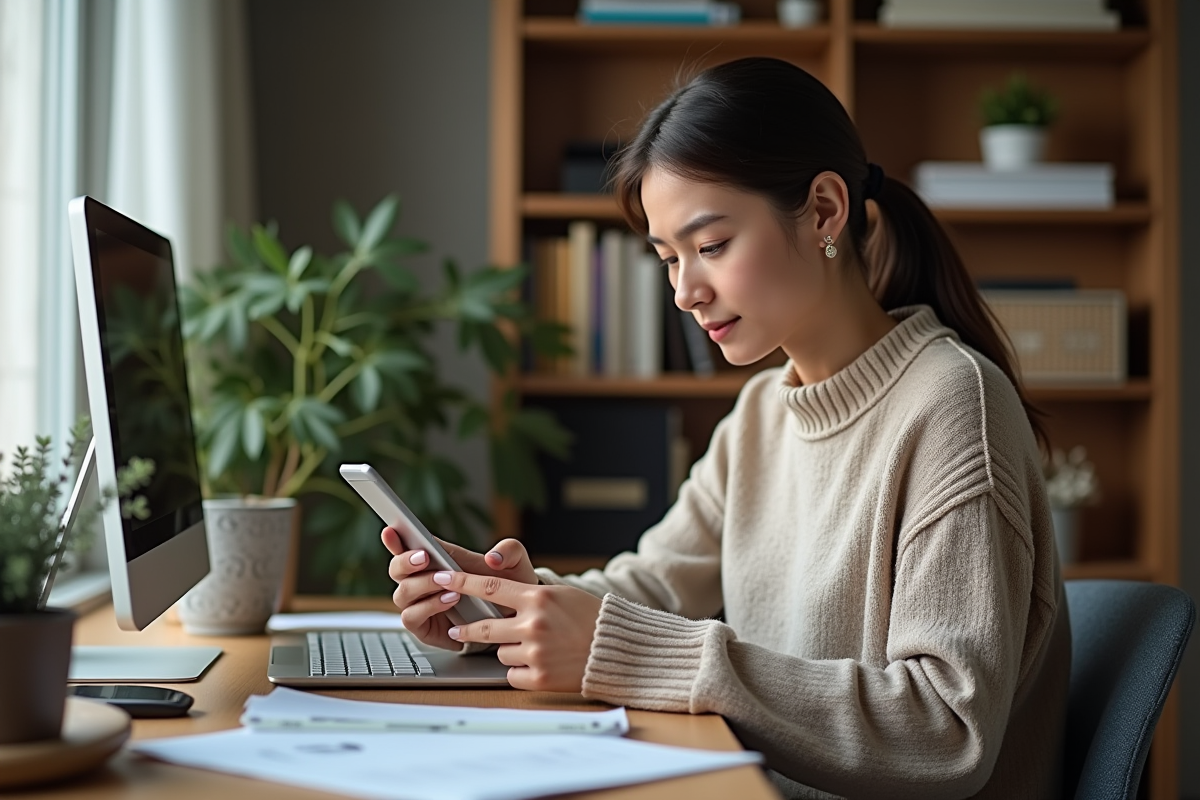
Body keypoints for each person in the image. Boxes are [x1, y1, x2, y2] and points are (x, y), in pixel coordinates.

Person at [382, 56, 1069, 800]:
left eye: (710, 246)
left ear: (825, 211)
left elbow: (945, 731)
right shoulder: (762, 414)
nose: (685, 291)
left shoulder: (954, 406)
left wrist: (636, 653)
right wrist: (508, 606)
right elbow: (653, 587)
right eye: (668, 258)